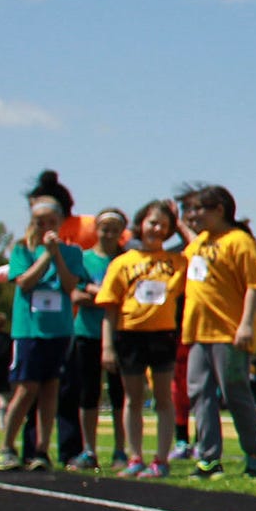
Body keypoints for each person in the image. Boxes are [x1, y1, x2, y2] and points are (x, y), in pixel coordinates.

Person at [0, 174, 88, 471]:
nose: (46, 227)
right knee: (26, 389)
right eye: (40, 222)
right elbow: (24, 283)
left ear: (60, 222)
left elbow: (69, 284)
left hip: (59, 330)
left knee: (51, 389)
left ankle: (41, 450)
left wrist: (58, 255)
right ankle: (6, 447)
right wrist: (45, 256)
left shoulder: (72, 253)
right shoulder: (22, 249)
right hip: (29, 331)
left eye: (52, 221)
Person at [177, 183, 256, 477]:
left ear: (219, 210)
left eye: (199, 209)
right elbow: (191, 247)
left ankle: (254, 453)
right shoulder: (202, 240)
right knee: (199, 394)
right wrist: (177, 221)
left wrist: (245, 325)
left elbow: (254, 285)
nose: (194, 215)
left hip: (228, 333)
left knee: (235, 393)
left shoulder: (239, 241)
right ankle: (209, 457)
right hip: (198, 332)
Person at [98, 200, 186, 478]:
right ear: (140, 224)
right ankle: (134, 456)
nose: (157, 229)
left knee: (163, 399)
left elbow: (195, 247)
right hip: (129, 335)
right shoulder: (122, 263)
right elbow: (109, 308)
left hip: (162, 334)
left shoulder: (177, 262)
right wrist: (107, 346)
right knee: (132, 399)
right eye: (152, 222)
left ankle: (161, 459)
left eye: (164, 225)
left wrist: (179, 222)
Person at [58, 205, 127, 467]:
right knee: (89, 392)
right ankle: (89, 450)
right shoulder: (84, 259)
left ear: (121, 233)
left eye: (114, 230)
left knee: (120, 394)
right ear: (96, 229)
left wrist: (97, 296)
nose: (108, 234)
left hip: (121, 333)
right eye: (104, 228)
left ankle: (121, 450)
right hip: (86, 332)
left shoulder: (125, 260)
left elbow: (125, 299)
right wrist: (104, 296)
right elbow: (75, 294)